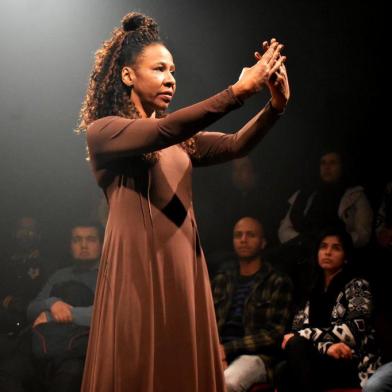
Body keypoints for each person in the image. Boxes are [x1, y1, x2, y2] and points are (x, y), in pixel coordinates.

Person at [77, 11, 290, 392]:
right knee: (137, 367)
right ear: (127, 75)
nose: (171, 79)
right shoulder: (103, 132)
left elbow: (235, 143)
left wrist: (275, 107)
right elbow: (161, 130)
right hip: (137, 266)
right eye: (159, 69)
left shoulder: (180, 139)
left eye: (173, 70)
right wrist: (237, 91)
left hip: (182, 266)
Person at [0, 222, 102, 392]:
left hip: (77, 349)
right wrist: (51, 303)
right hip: (41, 341)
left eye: (90, 239)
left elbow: (107, 315)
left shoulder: (110, 275)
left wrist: (59, 314)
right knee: (8, 372)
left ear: (101, 243)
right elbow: (32, 309)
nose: (83, 245)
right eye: (77, 240)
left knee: (70, 377)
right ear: (70, 246)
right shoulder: (60, 274)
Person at [277, 227, 380, 392]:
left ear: (346, 257)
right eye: (323, 246)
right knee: (284, 369)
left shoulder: (357, 286)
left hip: (350, 360)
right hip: (321, 357)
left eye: (336, 248)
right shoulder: (310, 290)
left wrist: (308, 338)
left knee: (294, 355)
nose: (328, 252)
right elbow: (296, 331)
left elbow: (354, 330)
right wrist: (326, 347)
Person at [212, 217, 293, 391]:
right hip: (217, 351)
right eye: (238, 235)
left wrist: (227, 349)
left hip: (255, 356)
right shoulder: (222, 278)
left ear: (263, 243)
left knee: (226, 384)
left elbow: (275, 333)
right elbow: (204, 321)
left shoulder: (277, 281)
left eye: (250, 235)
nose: (243, 240)